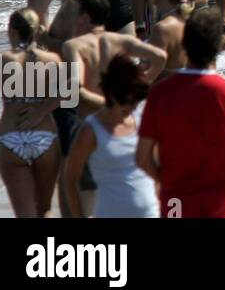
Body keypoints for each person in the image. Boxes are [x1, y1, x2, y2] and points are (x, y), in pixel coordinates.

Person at [138, 7, 225, 218]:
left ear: (185, 45)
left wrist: (166, 178)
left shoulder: (160, 93)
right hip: (224, 201)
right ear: (218, 46)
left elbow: (143, 157)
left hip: (176, 201)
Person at [0, 9, 62, 218]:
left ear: (11, 31)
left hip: (11, 137)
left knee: (25, 214)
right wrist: (40, 110)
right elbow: (69, 96)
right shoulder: (52, 59)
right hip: (44, 136)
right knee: (44, 210)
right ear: (38, 31)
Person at [63, 56, 159, 218]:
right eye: (129, 101)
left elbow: (158, 170)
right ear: (113, 94)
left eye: (136, 100)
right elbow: (70, 179)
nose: (133, 106)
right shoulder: (91, 130)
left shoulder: (143, 120)